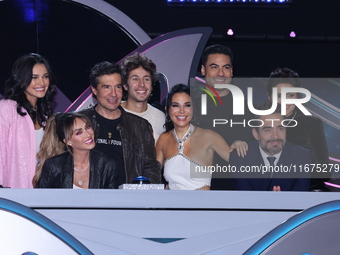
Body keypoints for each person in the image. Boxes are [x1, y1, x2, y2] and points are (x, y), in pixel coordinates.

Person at [80, 61, 161, 186]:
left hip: (128, 201)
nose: (113, 93)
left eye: (117, 87)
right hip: (89, 199)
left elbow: (150, 168)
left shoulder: (140, 126)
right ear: (94, 90)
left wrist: (144, 198)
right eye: (106, 87)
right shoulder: (79, 121)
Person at [156, 84, 247, 190]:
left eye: (187, 105)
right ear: (168, 109)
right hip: (171, 204)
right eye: (176, 105)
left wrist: (238, 145)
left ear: (193, 109)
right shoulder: (163, 139)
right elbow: (153, 175)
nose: (181, 111)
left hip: (202, 204)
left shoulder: (209, 136)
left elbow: (242, 165)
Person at [195, 44, 254, 190]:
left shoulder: (247, 109)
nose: (220, 73)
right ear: (203, 70)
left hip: (235, 192)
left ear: (232, 71)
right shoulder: (190, 106)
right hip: (195, 190)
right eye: (214, 67)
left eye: (226, 67)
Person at [267, 67, 330, 191]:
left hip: (304, 192)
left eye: (290, 95)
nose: (284, 101)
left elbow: (324, 171)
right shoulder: (258, 123)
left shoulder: (311, 124)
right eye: (279, 96)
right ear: (269, 97)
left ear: (298, 96)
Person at [0, 53, 56, 188]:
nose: (42, 83)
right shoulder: (7, 108)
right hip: (12, 195)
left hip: (40, 195)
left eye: (45, 76)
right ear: (22, 80)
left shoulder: (45, 117)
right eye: (34, 77)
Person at [230, 102, 311, 191]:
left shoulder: (302, 156)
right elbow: (244, 199)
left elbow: (301, 196)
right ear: (256, 134)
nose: (275, 136)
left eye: (280, 129)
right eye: (268, 130)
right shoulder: (240, 158)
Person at [34, 112, 118, 189]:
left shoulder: (107, 165)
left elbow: (111, 202)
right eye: (79, 133)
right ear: (68, 141)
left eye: (88, 127)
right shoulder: (54, 166)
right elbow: (41, 200)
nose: (88, 134)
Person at [121, 52, 165, 142]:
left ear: (152, 85)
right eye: (135, 79)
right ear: (125, 85)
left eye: (146, 79)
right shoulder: (112, 113)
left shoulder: (160, 118)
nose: (141, 84)